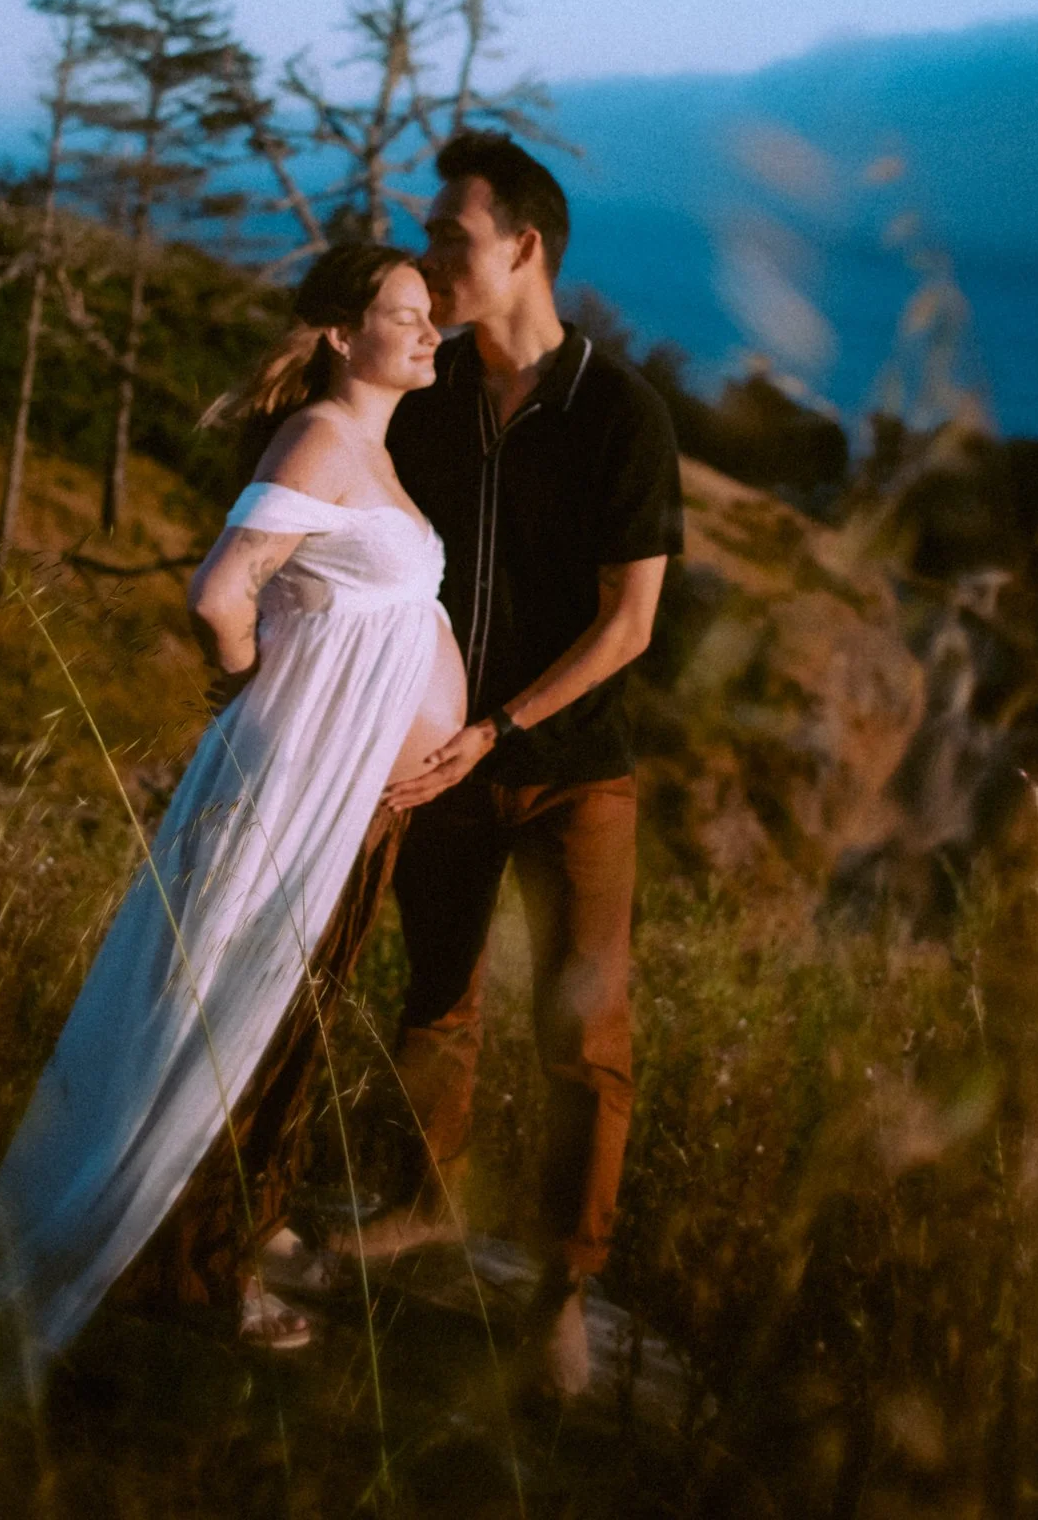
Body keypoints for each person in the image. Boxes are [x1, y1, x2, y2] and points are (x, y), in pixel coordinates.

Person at [0, 243, 464, 1391]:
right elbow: (220, 590)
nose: (429, 329)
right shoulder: (323, 437)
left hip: (355, 797)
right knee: (241, 1014)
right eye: (405, 312)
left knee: (289, 1015)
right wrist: (254, 691)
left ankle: (229, 1230)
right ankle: (189, 1271)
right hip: (302, 786)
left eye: (430, 312)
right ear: (341, 333)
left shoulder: (372, 449)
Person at [348, 131, 684, 1401]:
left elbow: (630, 623)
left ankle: (564, 1291)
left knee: (582, 1034)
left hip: (573, 768)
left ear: (525, 246)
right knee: (437, 996)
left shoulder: (620, 411)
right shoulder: (428, 395)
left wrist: (500, 726)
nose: (430, 255)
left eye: (452, 234)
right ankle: (421, 1205)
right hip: (439, 759)